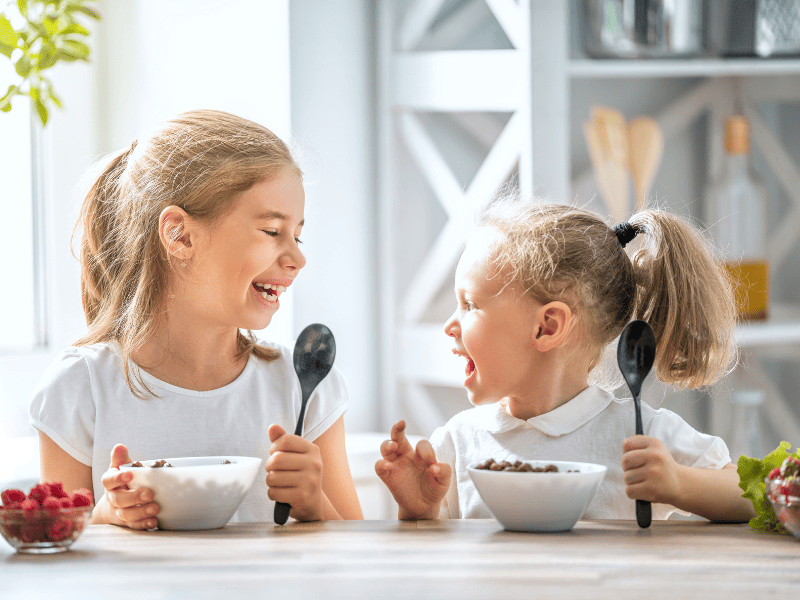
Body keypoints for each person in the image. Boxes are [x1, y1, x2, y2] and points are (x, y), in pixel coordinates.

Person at [30, 110, 363, 528]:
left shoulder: (305, 385)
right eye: (272, 232)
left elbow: (356, 553)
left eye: (297, 234)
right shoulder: (80, 389)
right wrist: (105, 517)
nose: (297, 258)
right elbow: (60, 562)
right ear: (180, 236)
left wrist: (317, 508)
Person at [376, 194, 755, 522]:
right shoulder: (455, 445)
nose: (449, 325)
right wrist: (420, 512)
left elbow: (752, 496)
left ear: (547, 327)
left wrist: (678, 483)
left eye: (470, 305)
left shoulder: (639, 434)